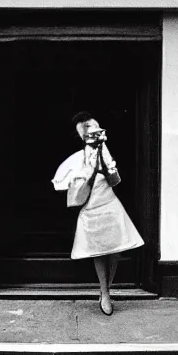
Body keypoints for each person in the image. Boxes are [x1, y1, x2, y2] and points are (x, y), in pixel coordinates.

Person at [51, 111, 144, 315]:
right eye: (87, 131)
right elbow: (61, 181)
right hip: (92, 205)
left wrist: (105, 161)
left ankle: (105, 291)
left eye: (95, 129)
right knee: (99, 250)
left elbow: (114, 176)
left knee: (116, 248)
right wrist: (82, 175)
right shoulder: (79, 156)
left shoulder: (105, 149)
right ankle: (105, 292)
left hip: (109, 201)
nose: (93, 134)